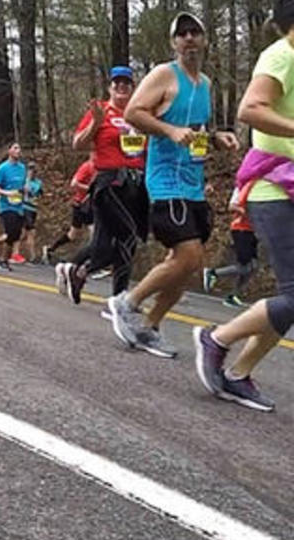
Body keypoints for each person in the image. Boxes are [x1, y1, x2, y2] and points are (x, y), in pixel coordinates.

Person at [108, 12, 240, 358]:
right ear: (174, 43)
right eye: (182, 34)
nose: (189, 38)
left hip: (193, 182)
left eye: (195, 32)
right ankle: (127, 302)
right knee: (188, 254)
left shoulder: (206, 84)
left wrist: (215, 138)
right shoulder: (165, 74)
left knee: (187, 265)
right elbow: (134, 112)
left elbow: (192, 130)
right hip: (165, 181)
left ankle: (150, 327)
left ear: (205, 39)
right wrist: (168, 131)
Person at [194, 0, 294, 411]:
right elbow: (250, 109)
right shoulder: (282, 55)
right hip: (274, 188)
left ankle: (238, 374)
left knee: (291, 298)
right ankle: (216, 339)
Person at [54, 66, 149, 306]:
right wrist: (95, 123)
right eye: (117, 83)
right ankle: (106, 291)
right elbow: (77, 144)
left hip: (136, 182)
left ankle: (114, 296)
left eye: (126, 83)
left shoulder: (140, 113)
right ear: (110, 87)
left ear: (133, 87)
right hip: (110, 181)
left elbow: (149, 148)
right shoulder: (102, 111)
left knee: (109, 243)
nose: (121, 87)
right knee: (127, 236)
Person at [202, 188, 257, 308]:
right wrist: (246, 211)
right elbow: (232, 206)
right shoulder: (243, 186)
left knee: (253, 266)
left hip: (252, 230)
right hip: (241, 228)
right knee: (245, 266)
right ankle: (213, 273)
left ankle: (233, 296)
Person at [45, 159, 96, 264]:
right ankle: (51, 249)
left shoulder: (103, 168)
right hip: (81, 204)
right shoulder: (87, 166)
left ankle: (92, 260)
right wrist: (89, 189)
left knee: (94, 233)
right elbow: (74, 183)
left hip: (91, 206)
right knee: (73, 234)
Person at [0, 143, 28, 272]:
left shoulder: (22, 168)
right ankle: (2, 260)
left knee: (16, 234)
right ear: (9, 151)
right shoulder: (2, 168)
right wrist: (8, 193)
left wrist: (25, 190)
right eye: (15, 148)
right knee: (11, 231)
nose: (18, 151)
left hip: (19, 205)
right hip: (6, 205)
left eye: (19, 148)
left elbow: (21, 185)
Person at [21, 162, 43, 263]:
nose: (32, 172)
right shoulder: (24, 181)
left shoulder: (38, 182)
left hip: (34, 209)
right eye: (30, 170)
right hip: (25, 208)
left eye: (34, 170)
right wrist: (27, 180)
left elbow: (39, 194)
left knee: (23, 235)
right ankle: (32, 256)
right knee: (31, 233)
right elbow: (24, 191)